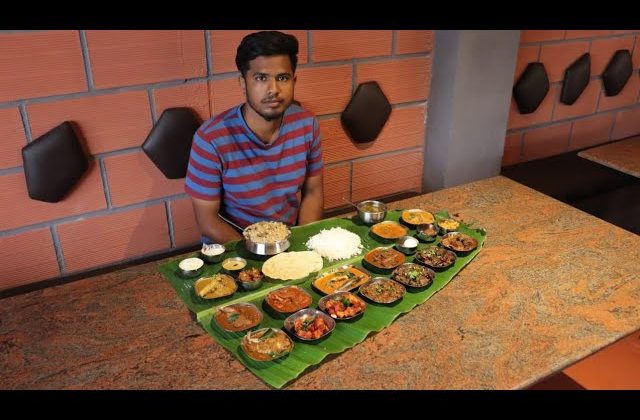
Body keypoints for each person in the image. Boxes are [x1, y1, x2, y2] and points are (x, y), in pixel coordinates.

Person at [185, 31, 324, 245]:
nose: (273, 90)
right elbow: (208, 222)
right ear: (243, 83)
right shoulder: (210, 139)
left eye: (282, 78)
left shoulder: (307, 124)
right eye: (261, 78)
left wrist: (303, 245)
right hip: (233, 248)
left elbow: (313, 192)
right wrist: (260, 255)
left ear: (294, 81)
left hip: (287, 243)